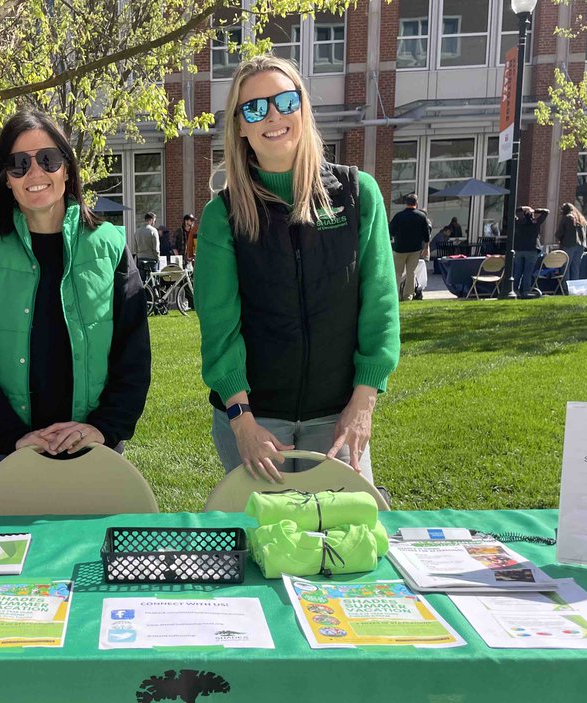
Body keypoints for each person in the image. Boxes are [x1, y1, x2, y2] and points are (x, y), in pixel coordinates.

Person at [194, 55, 398, 483]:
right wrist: (241, 420)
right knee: (263, 545)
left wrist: (363, 404)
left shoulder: (358, 195)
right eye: (254, 108)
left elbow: (379, 305)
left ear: (303, 107)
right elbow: (219, 328)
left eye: (285, 101)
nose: (272, 115)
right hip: (255, 422)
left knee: (345, 541)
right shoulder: (223, 215)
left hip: (338, 417)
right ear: (240, 127)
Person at [0, 109, 151, 476]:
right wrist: (12, 437)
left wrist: (103, 428)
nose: (35, 173)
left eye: (48, 159)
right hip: (11, 453)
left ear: (68, 168)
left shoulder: (109, 246)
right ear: (6, 179)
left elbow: (133, 352)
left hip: (95, 447)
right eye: (18, 164)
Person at [389, 193, 431, 301]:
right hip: (415, 249)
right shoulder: (421, 216)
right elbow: (426, 234)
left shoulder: (399, 216)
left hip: (400, 249)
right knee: (410, 273)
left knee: (397, 273)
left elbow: (390, 231)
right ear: (416, 203)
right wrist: (426, 247)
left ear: (406, 203)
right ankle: (408, 296)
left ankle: (396, 294)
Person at [513, 205, 549, 298]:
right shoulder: (536, 222)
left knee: (518, 272)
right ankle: (525, 291)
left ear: (524, 215)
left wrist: (522, 208)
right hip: (532, 250)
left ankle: (514, 290)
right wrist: (535, 210)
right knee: (527, 272)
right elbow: (546, 212)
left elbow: (511, 212)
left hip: (519, 249)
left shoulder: (518, 222)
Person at [555, 202, 587, 282]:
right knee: (575, 267)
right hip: (581, 246)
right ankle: (574, 287)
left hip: (568, 245)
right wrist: (583, 240)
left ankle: (566, 288)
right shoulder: (581, 219)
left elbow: (558, 233)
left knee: (566, 267)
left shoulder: (566, 218)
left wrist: (560, 239)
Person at [135, 211, 160, 279]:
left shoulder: (137, 231)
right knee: (154, 281)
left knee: (142, 281)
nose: (154, 223)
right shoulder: (153, 231)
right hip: (151, 259)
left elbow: (135, 248)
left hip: (140, 259)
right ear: (151, 220)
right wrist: (158, 258)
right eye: (154, 221)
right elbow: (156, 249)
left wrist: (139, 255)